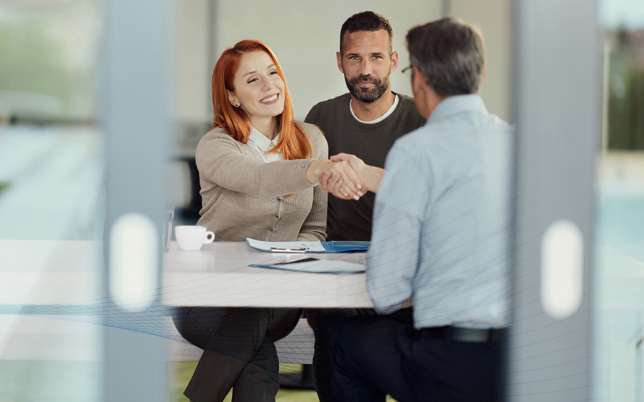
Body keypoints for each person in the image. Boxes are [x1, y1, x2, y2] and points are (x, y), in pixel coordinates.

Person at [331, 17, 513, 402]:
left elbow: (386, 292)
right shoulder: (517, 143)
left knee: (344, 342)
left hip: (452, 361)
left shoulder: (416, 152)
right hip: (522, 359)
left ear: (419, 78)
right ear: (479, 76)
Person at [173, 39, 363, 402]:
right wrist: (314, 169)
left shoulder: (311, 139)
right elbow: (257, 180)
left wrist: (282, 258)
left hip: (278, 296)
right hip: (207, 296)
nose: (269, 85)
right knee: (258, 355)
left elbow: (316, 228)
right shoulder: (216, 146)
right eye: (253, 80)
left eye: (272, 73)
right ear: (232, 96)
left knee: (257, 309)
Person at [303, 11, 425, 402]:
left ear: (393, 61)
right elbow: (305, 205)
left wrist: (368, 175)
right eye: (354, 58)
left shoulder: (422, 120)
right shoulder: (320, 118)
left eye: (376, 58)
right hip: (339, 285)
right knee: (335, 334)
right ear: (339, 61)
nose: (365, 70)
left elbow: (438, 199)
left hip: (407, 281)